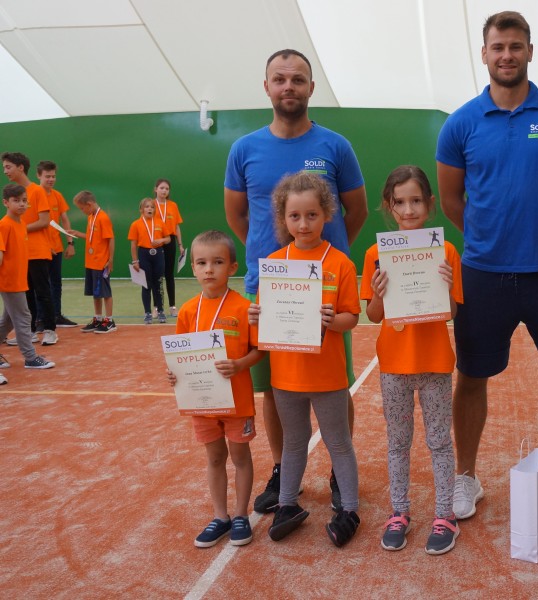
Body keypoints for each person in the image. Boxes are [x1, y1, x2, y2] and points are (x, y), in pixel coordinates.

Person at [435, 10, 538, 518]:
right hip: (482, 275)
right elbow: (452, 199)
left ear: (529, 51)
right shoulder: (460, 123)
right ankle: (466, 477)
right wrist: (488, 235)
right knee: (470, 376)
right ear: (484, 54)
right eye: (498, 47)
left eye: (515, 46)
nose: (507, 55)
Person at [224, 48, 367, 515]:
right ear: (266, 86)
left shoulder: (336, 146)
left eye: (298, 79)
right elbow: (238, 216)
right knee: (275, 387)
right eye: (280, 79)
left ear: (310, 87)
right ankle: (283, 470)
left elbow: (356, 210)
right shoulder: (244, 149)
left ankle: (339, 472)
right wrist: (276, 264)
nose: (289, 86)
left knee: (335, 384)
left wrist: (323, 262)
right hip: (267, 290)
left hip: (325, 290)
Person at [248, 172, 361, 546]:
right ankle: (286, 505)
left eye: (312, 215)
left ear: (326, 213)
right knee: (294, 443)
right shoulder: (275, 264)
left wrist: (333, 320)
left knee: (338, 442)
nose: (303, 223)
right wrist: (256, 316)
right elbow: (264, 323)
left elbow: (351, 317)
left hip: (327, 376)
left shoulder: (340, 263)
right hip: (286, 377)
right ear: (283, 218)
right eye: (294, 216)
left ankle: (349, 509)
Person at [360, 166, 464, 555]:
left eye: (416, 201)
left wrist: (447, 286)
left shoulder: (446, 251)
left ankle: (445, 516)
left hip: (435, 364)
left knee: (439, 441)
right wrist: (378, 293)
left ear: (430, 203)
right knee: (398, 443)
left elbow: (451, 312)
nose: (408, 210)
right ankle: (399, 512)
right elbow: (373, 316)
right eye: (400, 202)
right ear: (389, 206)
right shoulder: (375, 254)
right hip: (394, 366)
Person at [167, 230, 263, 548]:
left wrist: (239, 365)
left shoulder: (243, 308)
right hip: (202, 403)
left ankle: (241, 515)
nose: (209, 269)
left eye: (218, 262)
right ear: (193, 268)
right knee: (214, 457)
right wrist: (175, 374)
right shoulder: (187, 311)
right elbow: (180, 357)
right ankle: (220, 516)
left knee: (240, 456)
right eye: (202, 263)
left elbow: (259, 350)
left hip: (237, 402)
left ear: (232, 267)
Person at [0, 183, 56, 380]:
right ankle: (30, 358)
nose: (22, 204)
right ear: (6, 203)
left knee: (8, 321)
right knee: (24, 318)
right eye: (16, 201)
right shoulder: (4, 225)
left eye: (24, 200)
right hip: (9, 282)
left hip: (19, 280)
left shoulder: (21, 224)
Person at [1, 152, 58, 346]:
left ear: (20, 168)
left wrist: (20, 229)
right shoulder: (13, 195)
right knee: (26, 294)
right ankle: (30, 332)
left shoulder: (37, 191)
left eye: (8, 167)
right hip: (21, 253)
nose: (5, 171)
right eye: (4, 167)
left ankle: (50, 330)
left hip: (38, 251)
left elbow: (44, 221)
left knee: (42, 292)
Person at [36, 161, 78, 328]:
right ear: (39, 176)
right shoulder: (34, 195)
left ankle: (56, 316)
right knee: (41, 286)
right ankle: (40, 319)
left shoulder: (57, 195)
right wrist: (44, 246)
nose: (51, 179)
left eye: (53, 176)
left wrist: (70, 242)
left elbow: (65, 219)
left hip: (57, 248)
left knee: (56, 283)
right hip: (40, 250)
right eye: (47, 176)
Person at [68, 191, 116, 333]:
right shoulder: (91, 217)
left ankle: (110, 321)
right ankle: (98, 319)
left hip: (101, 263)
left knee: (105, 292)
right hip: (91, 263)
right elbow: (92, 237)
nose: (82, 211)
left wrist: (110, 260)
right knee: (96, 293)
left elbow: (110, 239)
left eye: (82, 208)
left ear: (89, 204)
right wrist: (77, 233)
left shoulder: (103, 218)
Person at [128, 198, 170, 324]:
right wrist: (135, 261)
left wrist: (161, 240)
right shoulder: (136, 224)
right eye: (147, 207)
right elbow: (133, 244)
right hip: (144, 254)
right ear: (141, 209)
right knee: (146, 285)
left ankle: (161, 311)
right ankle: (147, 313)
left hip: (158, 254)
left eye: (152, 207)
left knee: (158, 284)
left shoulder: (160, 222)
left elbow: (168, 238)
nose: (150, 209)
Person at [153, 178, 185, 317]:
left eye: (167, 188)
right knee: (156, 276)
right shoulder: (151, 205)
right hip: (156, 241)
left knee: (169, 275)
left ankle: (172, 306)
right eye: (161, 188)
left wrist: (180, 245)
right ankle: (156, 307)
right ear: (156, 189)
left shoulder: (173, 205)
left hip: (170, 241)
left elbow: (176, 227)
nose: (164, 191)